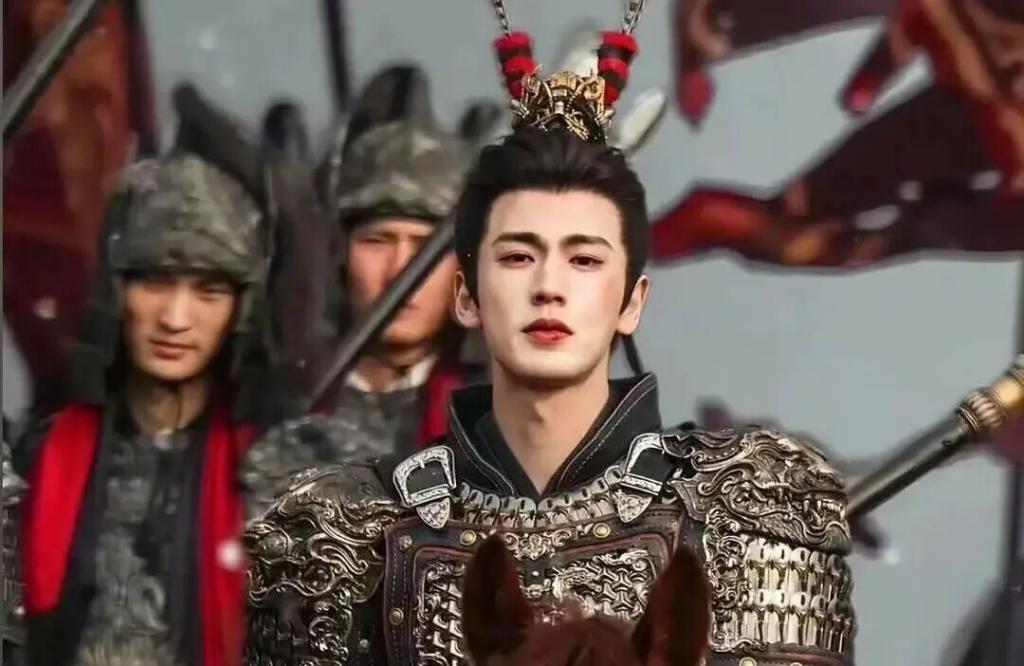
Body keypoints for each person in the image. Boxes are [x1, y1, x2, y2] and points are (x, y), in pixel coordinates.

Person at [243, 6, 857, 665]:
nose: (548, 286)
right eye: (517, 256)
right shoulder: (343, 524)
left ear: (632, 301)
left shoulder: (752, 506)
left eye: (584, 259)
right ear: (466, 295)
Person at [10, 153, 266, 666]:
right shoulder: (43, 458)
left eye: (208, 291)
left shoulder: (268, 472)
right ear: (117, 292)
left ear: (239, 310)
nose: (175, 318)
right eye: (155, 282)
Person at [240, 67, 489, 513]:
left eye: (424, 249)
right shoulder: (276, 403)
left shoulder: (497, 416)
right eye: (378, 241)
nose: (399, 271)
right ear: (340, 254)